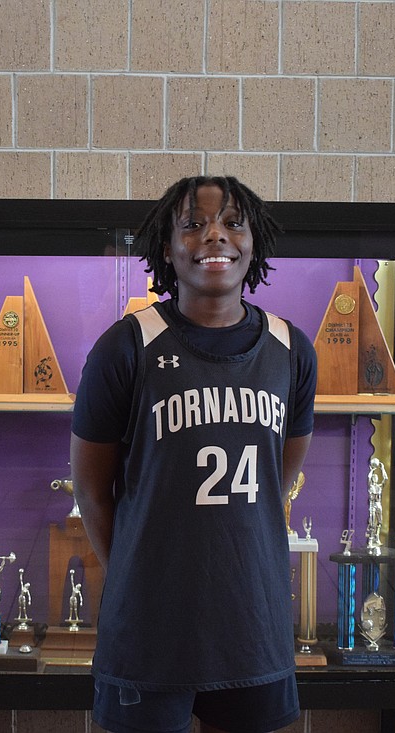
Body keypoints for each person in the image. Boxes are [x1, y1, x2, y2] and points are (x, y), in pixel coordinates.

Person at [71, 176, 317, 733]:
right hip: (151, 628)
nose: (214, 236)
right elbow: (90, 490)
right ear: (167, 246)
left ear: (254, 242)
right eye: (193, 224)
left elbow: (282, 478)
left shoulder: (291, 350)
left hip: (251, 621)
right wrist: (137, 575)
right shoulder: (126, 345)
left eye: (233, 223)